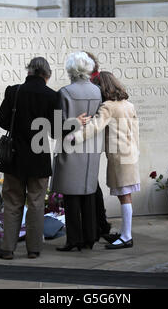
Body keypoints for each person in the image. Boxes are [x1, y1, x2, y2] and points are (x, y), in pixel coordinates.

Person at [0, 57, 59, 260]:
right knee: (37, 203)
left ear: (29, 71)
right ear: (46, 75)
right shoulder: (52, 96)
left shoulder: (14, 91)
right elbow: (57, 131)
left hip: (14, 157)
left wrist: (18, 128)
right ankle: (34, 249)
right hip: (38, 157)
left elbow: (0, 119)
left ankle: (8, 248)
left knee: (13, 203)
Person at [75, 71, 140, 249]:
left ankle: (127, 236)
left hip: (119, 156)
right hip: (130, 153)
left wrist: (75, 137)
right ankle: (126, 234)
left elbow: (95, 127)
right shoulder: (128, 105)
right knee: (125, 195)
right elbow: (135, 132)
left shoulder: (108, 106)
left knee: (124, 195)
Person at [51, 51, 102, 251]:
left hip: (71, 147)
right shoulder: (98, 92)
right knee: (88, 193)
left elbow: (56, 128)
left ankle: (74, 240)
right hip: (91, 149)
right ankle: (90, 237)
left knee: (72, 197)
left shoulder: (64, 93)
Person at [84, 51, 118, 244]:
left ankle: (99, 225)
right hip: (96, 136)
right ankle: (99, 224)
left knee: (92, 184)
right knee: (92, 182)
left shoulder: (97, 83)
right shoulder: (98, 80)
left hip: (94, 135)